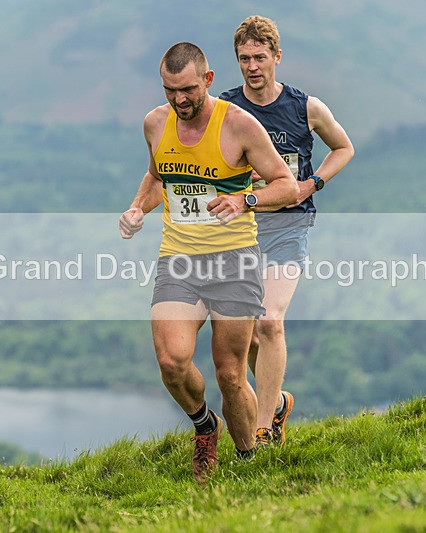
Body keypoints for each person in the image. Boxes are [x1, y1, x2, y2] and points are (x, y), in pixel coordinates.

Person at [119, 42, 297, 481]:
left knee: (230, 374)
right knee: (171, 362)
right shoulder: (155, 123)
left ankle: (249, 459)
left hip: (234, 262)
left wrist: (245, 200)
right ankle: (205, 427)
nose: (179, 100)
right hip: (179, 260)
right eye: (169, 90)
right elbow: (157, 177)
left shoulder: (239, 125)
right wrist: (138, 209)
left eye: (188, 90)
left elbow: (287, 186)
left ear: (208, 80)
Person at [219, 16, 354, 446]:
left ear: (277, 56)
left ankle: (263, 429)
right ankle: (276, 402)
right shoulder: (224, 109)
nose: (252, 66)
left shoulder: (306, 107)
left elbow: (344, 147)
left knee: (270, 321)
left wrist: (312, 183)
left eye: (260, 57)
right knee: (246, 334)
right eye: (244, 58)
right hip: (239, 231)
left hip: (289, 226)